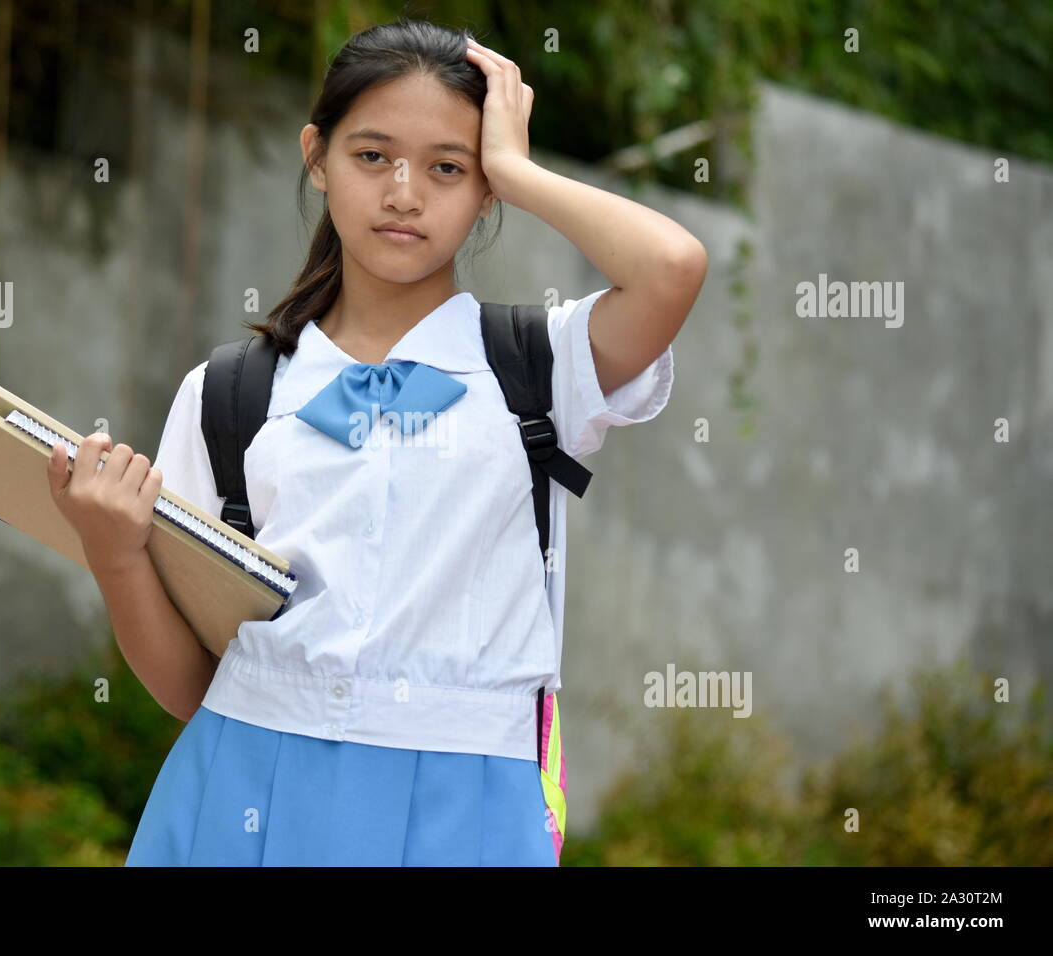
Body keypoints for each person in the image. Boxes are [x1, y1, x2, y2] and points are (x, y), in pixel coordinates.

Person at [48, 17, 705, 866]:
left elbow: (674, 267)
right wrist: (117, 554)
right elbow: (190, 687)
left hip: (467, 804)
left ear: (484, 190)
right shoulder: (231, 392)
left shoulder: (541, 366)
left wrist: (515, 166)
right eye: (371, 156)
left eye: (446, 167)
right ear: (315, 156)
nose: (404, 192)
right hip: (243, 785)